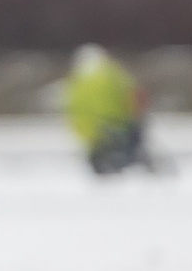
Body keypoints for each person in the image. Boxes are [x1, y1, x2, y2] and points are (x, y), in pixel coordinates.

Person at [65, 43, 153, 175]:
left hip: (89, 131)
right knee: (132, 147)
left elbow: (69, 107)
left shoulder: (75, 81)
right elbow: (133, 94)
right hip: (117, 123)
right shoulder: (112, 73)